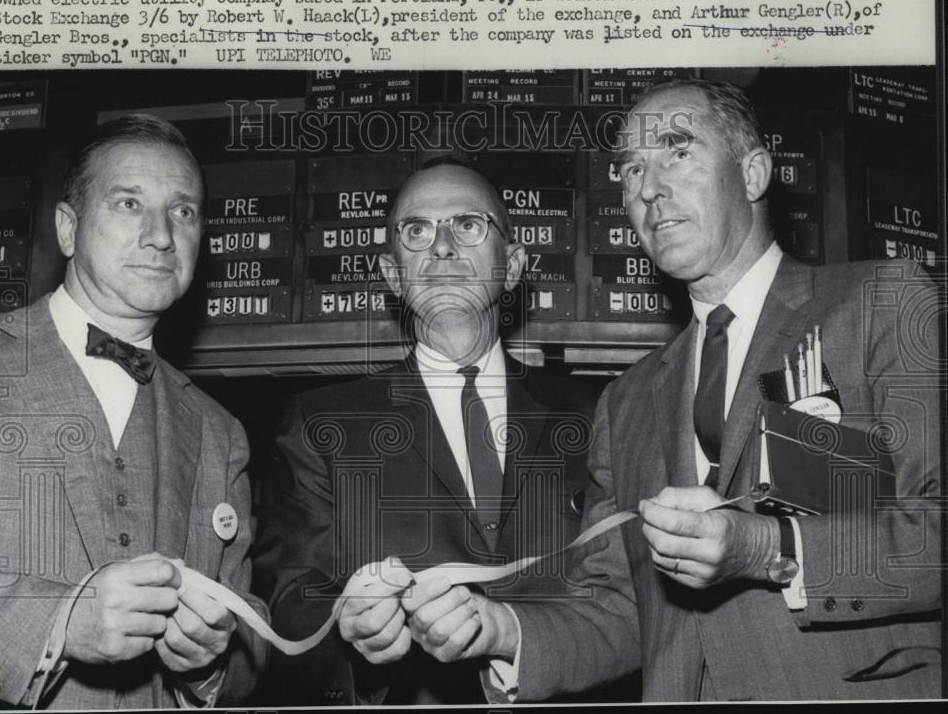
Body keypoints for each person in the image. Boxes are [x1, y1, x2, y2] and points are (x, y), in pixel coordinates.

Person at [403, 79, 943, 701]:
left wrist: (768, 547)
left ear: (754, 172)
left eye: (676, 151)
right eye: (629, 170)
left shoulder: (882, 303)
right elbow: (623, 610)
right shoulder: (626, 401)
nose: (647, 188)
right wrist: (502, 630)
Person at [250, 157, 612, 705]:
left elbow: (624, 603)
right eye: (417, 231)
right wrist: (348, 630)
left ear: (512, 266)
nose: (442, 246)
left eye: (468, 225)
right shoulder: (319, 423)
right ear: (393, 276)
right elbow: (287, 607)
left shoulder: (596, 414)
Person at [0, 114, 266, 709]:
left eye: (184, 212)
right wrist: (61, 621)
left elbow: (248, 650)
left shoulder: (221, 433)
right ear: (68, 229)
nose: (161, 235)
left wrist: (212, 659)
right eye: (128, 203)